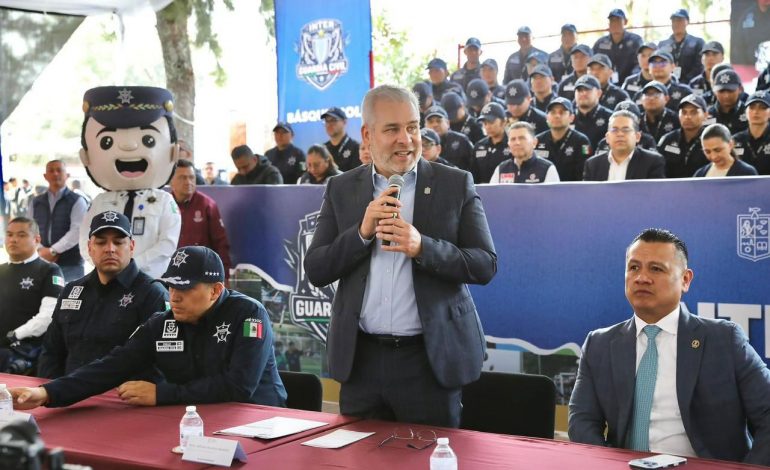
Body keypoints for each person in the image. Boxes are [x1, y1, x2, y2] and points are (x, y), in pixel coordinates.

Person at [304, 84, 496, 427]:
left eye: (412, 127)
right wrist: (361, 233)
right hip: (360, 363)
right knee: (358, 455)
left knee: (429, 455)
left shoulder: (455, 184)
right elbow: (317, 268)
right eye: (392, 129)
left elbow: (485, 264)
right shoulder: (341, 188)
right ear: (367, 134)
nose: (405, 139)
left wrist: (423, 247)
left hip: (430, 362)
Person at [569, 228, 770, 464]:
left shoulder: (724, 340)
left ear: (685, 279)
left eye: (656, 269)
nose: (641, 278)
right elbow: (581, 421)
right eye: (634, 267)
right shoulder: (599, 344)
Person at [13, 246, 287, 408]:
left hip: (258, 420)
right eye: (171, 286)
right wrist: (48, 392)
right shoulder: (164, 322)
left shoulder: (249, 315)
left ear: (215, 290)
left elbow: (238, 386)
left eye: (184, 288)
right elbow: (112, 365)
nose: (173, 296)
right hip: (193, 417)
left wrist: (162, 393)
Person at [39, 211, 169, 379]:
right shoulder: (71, 291)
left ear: (131, 246)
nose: (110, 249)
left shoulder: (152, 294)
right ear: (89, 248)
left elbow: (161, 362)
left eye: (118, 242)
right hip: (65, 390)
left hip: (120, 393)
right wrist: (50, 390)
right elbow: (51, 351)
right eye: (101, 242)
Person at [77, 86, 182, 280]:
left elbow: (168, 243)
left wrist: (131, 264)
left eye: (148, 139)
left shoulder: (164, 201)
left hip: (151, 280)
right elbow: (85, 240)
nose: (128, 147)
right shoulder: (100, 201)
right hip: (108, 280)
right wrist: (104, 265)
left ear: (173, 152)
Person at [0, 218, 64, 373]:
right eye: (9, 234)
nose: (13, 240)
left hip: (27, 352)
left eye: (21, 235)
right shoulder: (1, 270)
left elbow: (48, 316)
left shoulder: (49, 271)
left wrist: (14, 335)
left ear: (37, 240)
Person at [169, 160, 233, 278]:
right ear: (171, 181)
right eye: (182, 178)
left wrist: (224, 275)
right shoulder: (164, 205)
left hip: (201, 272)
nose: (188, 182)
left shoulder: (207, 205)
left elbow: (221, 242)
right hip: (170, 271)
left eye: (191, 177)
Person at [29, 160, 88, 282]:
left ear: (67, 175)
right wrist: (40, 249)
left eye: (59, 170)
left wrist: (53, 251)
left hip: (70, 263)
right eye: (51, 170)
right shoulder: (36, 202)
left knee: (70, 293)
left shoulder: (77, 201)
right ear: (45, 176)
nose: (55, 174)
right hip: (41, 260)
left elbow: (77, 230)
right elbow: (30, 228)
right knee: (44, 293)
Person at [583, 110, 665, 181]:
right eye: (614, 130)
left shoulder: (652, 162)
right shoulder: (592, 164)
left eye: (626, 130)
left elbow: (655, 193)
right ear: (607, 137)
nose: (620, 134)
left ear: (637, 137)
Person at [535, 97, 592, 181]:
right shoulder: (538, 140)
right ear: (547, 117)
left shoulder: (582, 141)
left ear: (571, 118)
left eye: (562, 112)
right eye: (553, 112)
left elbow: (585, 172)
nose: (557, 116)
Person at [656, 94, 710, 178]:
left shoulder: (711, 140)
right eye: (684, 112)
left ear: (705, 115)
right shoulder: (668, 139)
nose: (688, 117)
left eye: (694, 112)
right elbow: (659, 169)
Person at [490, 122, 560, 184]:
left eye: (522, 138)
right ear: (508, 145)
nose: (517, 143)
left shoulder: (547, 169)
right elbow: (491, 194)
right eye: (513, 139)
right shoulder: (501, 169)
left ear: (534, 142)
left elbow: (553, 194)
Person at [592, 9, 644, 84]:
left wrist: (632, 78)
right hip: (605, 83)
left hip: (630, 82)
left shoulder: (635, 41)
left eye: (618, 20)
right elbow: (592, 62)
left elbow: (640, 63)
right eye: (612, 21)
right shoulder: (600, 43)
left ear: (625, 22)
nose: (615, 23)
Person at [657, 9, 705, 84]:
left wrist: (684, 83)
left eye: (679, 20)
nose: (676, 23)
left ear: (687, 22)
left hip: (691, 84)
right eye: (673, 21)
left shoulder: (698, 42)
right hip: (667, 84)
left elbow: (699, 66)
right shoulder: (662, 44)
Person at [694, 123, 758, 177]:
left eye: (718, 150)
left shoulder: (747, 173)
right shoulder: (700, 174)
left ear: (730, 145)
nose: (713, 156)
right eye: (707, 152)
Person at [424, 105, 475, 172]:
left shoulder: (461, 140)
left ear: (448, 123)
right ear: (425, 125)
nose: (435, 125)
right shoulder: (419, 143)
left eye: (439, 121)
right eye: (430, 122)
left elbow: (473, 167)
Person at [733, 90, 770, 175]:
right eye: (752, 107)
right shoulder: (736, 140)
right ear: (745, 111)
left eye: (762, 107)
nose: (756, 112)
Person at [573, 75, 613, 150]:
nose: (583, 93)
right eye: (579, 90)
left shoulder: (610, 118)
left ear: (599, 93)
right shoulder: (568, 117)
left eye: (587, 89)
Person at [473, 102, 510, 183]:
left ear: (504, 122)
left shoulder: (512, 144)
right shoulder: (479, 146)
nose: (487, 127)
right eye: (485, 123)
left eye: (491, 122)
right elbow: (474, 175)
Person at [708, 69, 749, 135]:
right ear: (714, 91)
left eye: (730, 91)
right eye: (721, 91)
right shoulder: (707, 115)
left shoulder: (749, 113)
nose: (726, 96)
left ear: (740, 89)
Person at [321, 107, 362, 172]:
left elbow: (358, 175)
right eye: (326, 121)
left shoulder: (355, 147)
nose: (329, 124)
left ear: (344, 122)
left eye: (333, 120)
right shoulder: (322, 149)